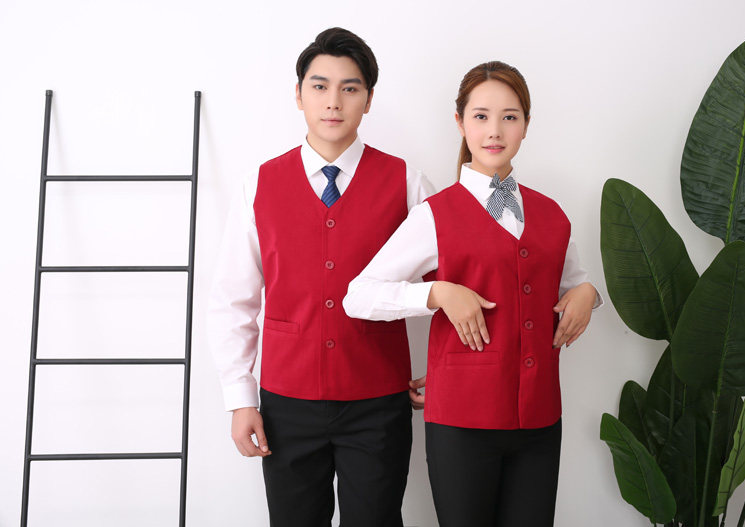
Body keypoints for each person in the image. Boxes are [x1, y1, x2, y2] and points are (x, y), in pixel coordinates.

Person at [343, 60, 601, 527]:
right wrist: (436, 293)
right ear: (460, 122)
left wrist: (588, 292)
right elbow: (357, 296)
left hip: (540, 420)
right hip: (461, 424)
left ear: (526, 124)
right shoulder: (434, 215)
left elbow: (573, 283)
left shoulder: (552, 214)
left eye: (509, 116)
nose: (495, 130)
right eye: (481, 116)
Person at [207, 27, 434, 527]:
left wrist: (445, 372)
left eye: (350, 88)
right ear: (298, 94)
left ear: (368, 100)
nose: (334, 102)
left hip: (378, 402)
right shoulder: (258, 185)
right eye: (319, 86)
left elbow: (454, 284)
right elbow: (234, 299)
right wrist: (240, 398)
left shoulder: (408, 183)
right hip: (286, 404)